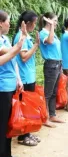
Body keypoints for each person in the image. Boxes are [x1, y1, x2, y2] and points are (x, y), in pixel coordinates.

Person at [0, 10, 27, 157]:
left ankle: (7, 155)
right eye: (8, 21)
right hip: (1, 87)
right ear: (0, 23)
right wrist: (19, 44)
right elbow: (5, 57)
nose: (10, 24)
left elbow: (13, 57)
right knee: (1, 124)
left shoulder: (5, 39)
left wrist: (18, 79)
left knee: (8, 122)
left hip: (10, 85)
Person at [13, 11, 40, 146]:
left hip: (29, 76)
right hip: (24, 78)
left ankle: (27, 133)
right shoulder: (20, 36)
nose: (35, 26)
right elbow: (23, 58)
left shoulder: (26, 35)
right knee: (24, 107)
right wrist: (36, 45)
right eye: (34, 23)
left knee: (29, 107)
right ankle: (22, 136)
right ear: (28, 23)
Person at [39, 12, 64, 127]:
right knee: (48, 93)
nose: (56, 22)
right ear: (48, 20)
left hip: (57, 64)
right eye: (54, 20)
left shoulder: (52, 32)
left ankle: (52, 114)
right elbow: (50, 42)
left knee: (54, 92)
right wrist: (52, 26)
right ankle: (45, 117)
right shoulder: (43, 33)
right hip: (50, 65)